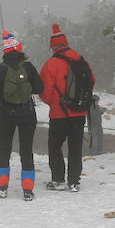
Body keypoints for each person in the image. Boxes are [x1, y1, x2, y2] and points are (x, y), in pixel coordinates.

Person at [0, 30, 43, 201]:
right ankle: (27, 190)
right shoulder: (28, 66)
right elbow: (39, 88)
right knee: (26, 151)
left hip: (6, 114)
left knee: (4, 149)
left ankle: (3, 188)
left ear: (5, 52)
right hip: (27, 113)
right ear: (19, 49)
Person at [39, 23, 90, 192]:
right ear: (66, 43)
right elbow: (92, 81)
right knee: (75, 147)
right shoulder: (80, 59)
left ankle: (58, 180)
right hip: (79, 111)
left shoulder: (51, 64)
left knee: (55, 146)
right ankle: (74, 182)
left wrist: (54, 103)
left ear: (53, 46)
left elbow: (44, 90)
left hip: (59, 113)